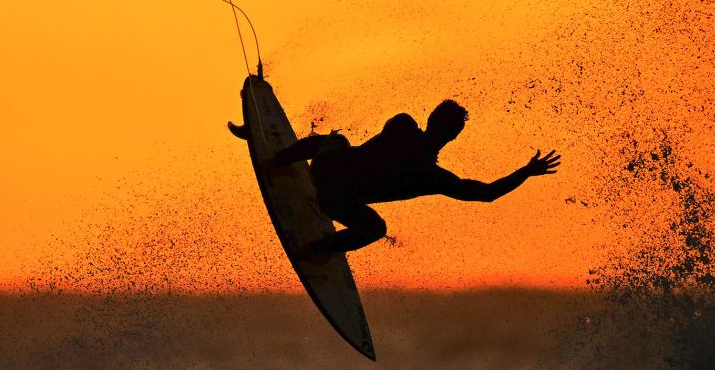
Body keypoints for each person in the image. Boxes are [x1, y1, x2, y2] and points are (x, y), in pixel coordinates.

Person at [229, 100, 560, 256]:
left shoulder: (401, 123)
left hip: (325, 170)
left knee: (336, 140)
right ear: (455, 136)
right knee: (376, 229)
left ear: (431, 117)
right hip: (337, 203)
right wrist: (526, 173)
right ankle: (317, 250)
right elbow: (486, 194)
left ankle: (274, 156)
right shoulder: (432, 177)